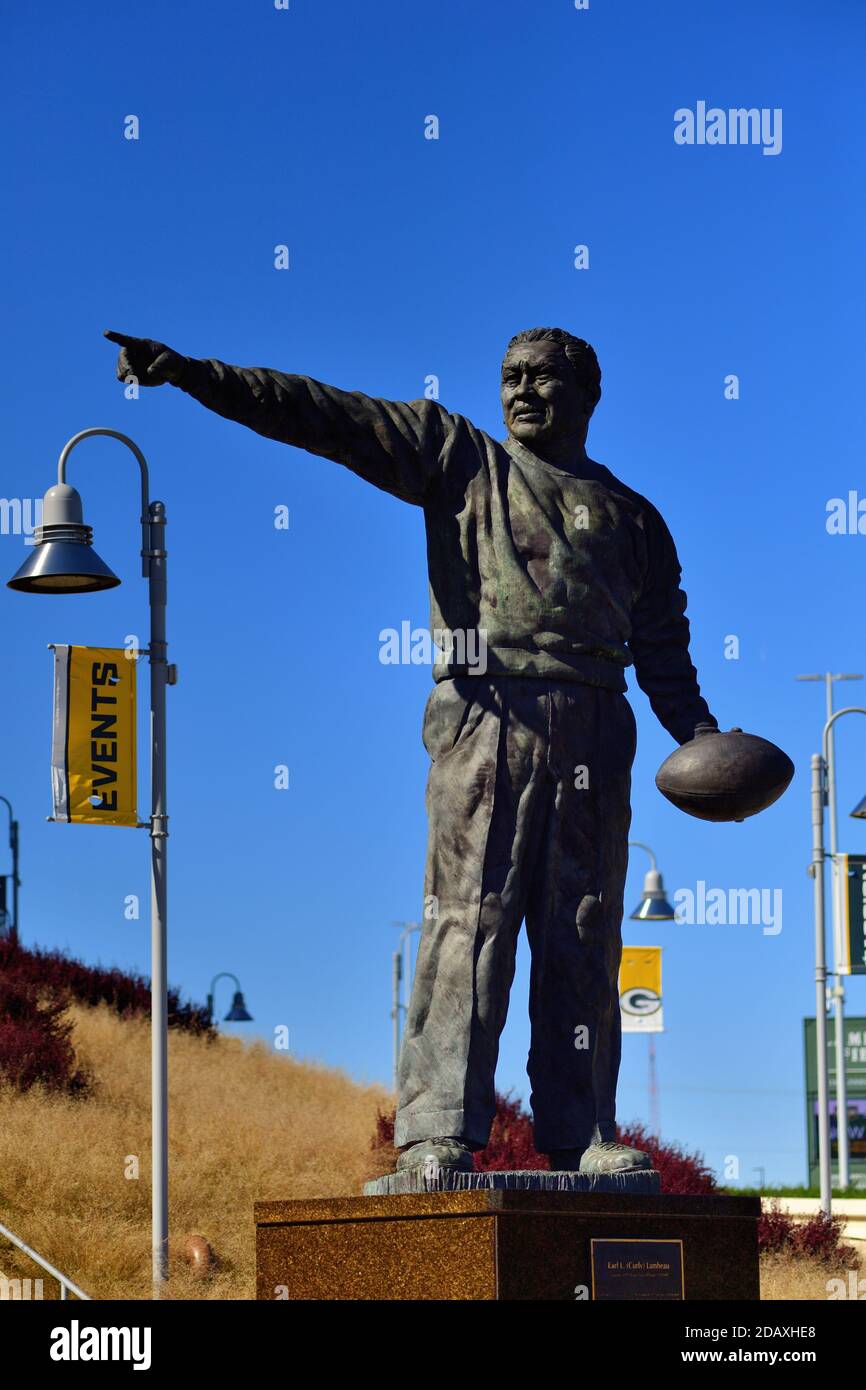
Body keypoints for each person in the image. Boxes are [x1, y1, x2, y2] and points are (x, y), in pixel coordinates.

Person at [105, 325, 717, 1175]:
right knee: (467, 920)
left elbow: (665, 647)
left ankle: (584, 1132)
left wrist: (700, 734)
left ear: (588, 394)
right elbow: (327, 415)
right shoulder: (461, 459)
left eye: (543, 378)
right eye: (510, 377)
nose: (521, 392)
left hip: (598, 727)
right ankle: (435, 1133)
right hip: (486, 709)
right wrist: (201, 376)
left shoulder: (635, 520)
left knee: (584, 933)